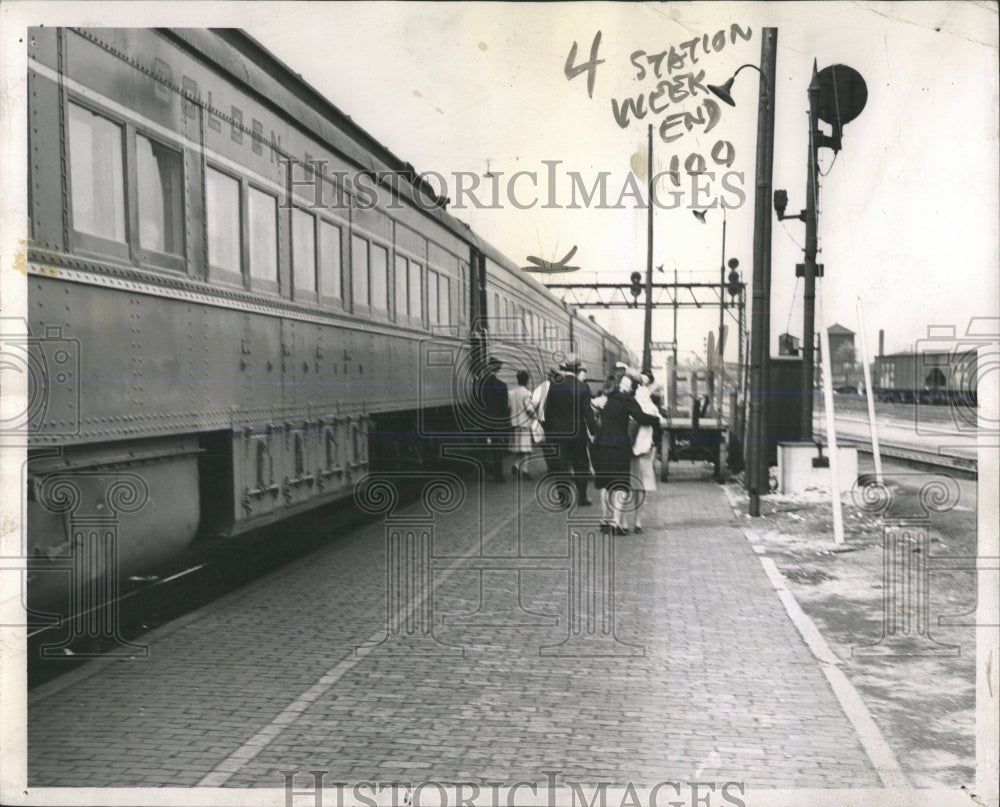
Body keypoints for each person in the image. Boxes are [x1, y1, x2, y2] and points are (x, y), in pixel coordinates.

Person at [592, 371, 659, 534]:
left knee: (605, 485)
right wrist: (657, 419)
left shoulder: (606, 397)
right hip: (618, 446)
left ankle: (604, 520)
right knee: (620, 485)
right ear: (631, 389)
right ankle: (615, 522)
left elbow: (592, 404)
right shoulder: (628, 400)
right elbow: (641, 417)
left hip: (601, 444)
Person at [543, 353, 596, 507]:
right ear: (578, 368)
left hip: (558, 434)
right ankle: (582, 497)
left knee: (561, 466)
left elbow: (548, 411)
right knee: (581, 465)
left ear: (565, 367)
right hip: (578, 434)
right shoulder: (583, 387)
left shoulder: (554, 385)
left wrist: (548, 432)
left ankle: (563, 499)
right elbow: (588, 412)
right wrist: (593, 431)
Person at [626, 370, 661, 533]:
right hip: (645, 451)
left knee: (627, 486)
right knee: (641, 487)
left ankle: (624, 521)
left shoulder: (630, 406)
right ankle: (638, 521)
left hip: (628, 450)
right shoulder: (652, 409)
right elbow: (658, 425)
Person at [477, 356, 510, 482]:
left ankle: (481, 474)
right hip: (496, 421)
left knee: (481, 448)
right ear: (498, 370)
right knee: (497, 449)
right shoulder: (502, 386)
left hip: (482, 420)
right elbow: (504, 407)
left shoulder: (479, 385)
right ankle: (498, 475)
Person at [507, 370, 535, 479]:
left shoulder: (511, 393)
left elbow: (508, 406)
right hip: (525, 425)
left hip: (514, 424)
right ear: (527, 381)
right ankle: (523, 469)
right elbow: (529, 409)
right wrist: (535, 417)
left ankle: (518, 466)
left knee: (519, 449)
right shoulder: (527, 394)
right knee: (527, 449)